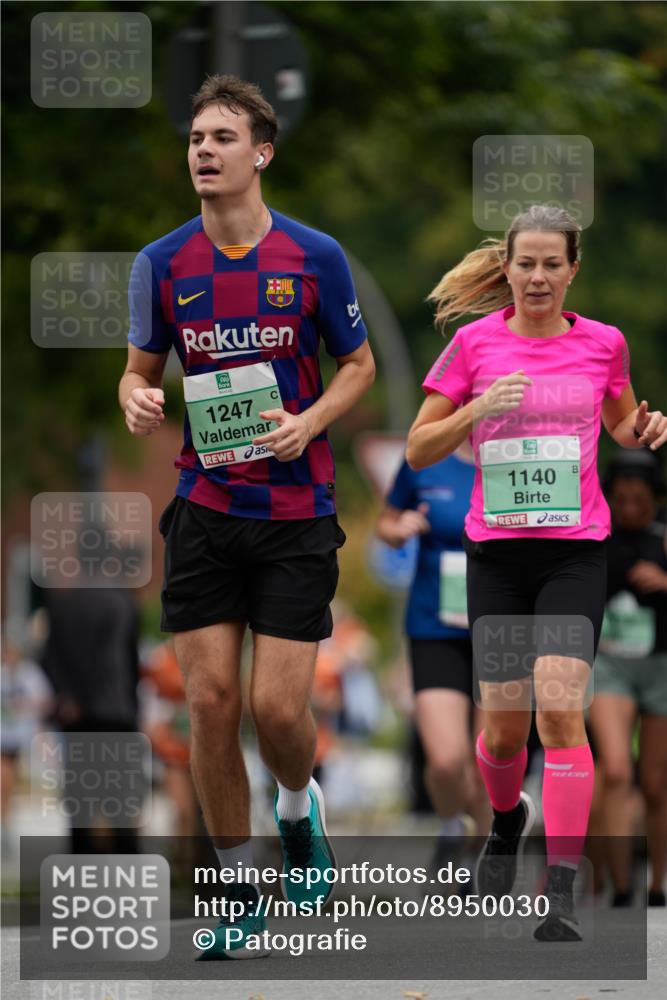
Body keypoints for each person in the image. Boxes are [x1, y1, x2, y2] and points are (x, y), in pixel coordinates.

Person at [119, 75, 375, 959]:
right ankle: (236, 889)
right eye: (195, 137)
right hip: (205, 508)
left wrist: (308, 421)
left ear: (260, 154)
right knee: (210, 703)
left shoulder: (315, 256)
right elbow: (139, 371)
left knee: (274, 708)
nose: (203, 150)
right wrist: (136, 401)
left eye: (221, 137)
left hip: (297, 512)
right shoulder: (163, 263)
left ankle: (298, 816)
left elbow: (360, 365)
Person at [406, 204, 667, 941]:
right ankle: (504, 816)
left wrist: (646, 430)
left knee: (559, 713)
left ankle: (558, 883)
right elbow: (419, 449)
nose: (539, 276)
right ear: (508, 268)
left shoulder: (603, 345)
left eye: (553, 263)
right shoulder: (472, 345)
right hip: (496, 558)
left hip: (572, 553)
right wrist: (478, 407)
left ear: (572, 269)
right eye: (527, 263)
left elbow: (621, 424)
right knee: (499, 735)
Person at [375, 443, 490, 878]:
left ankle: (479, 862)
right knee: (446, 760)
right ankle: (450, 828)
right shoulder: (424, 459)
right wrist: (397, 527)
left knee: (489, 760)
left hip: (502, 626)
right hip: (435, 626)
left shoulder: (520, 454)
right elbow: (384, 523)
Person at [588, 451, 667, 907]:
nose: (631, 509)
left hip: (660, 663)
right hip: (610, 662)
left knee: (655, 784)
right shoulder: (598, 528)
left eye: (641, 501)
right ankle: (620, 885)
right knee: (615, 769)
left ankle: (657, 883)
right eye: (622, 500)